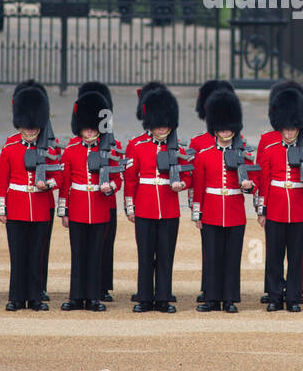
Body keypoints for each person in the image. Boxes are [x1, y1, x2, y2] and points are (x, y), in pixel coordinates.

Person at [254, 85, 303, 312]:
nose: (290, 132)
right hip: (275, 206)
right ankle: (274, 296)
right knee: (274, 255)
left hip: (299, 207)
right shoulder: (267, 141)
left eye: (293, 128)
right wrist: (261, 210)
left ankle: (293, 296)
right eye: (286, 128)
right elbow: (263, 178)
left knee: (296, 256)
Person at [123, 87, 190, 312]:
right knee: (145, 255)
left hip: (169, 208)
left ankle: (163, 298)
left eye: (165, 124)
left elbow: (188, 174)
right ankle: (144, 297)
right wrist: (130, 207)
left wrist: (183, 184)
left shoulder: (178, 147)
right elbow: (130, 180)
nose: (162, 128)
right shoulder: (137, 145)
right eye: (158, 123)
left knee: (165, 255)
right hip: (144, 207)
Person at [0, 85, 60, 311]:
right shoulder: (10, 147)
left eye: (34, 127)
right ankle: (15, 297)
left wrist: (48, 184)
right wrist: (1, 208)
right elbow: (2, 181)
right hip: (16, 207)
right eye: (27, 126)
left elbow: (59, 175)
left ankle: (34, 297)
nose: (31, 131)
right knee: (18, 254)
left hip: (40, 207)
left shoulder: (49, 149)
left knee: (36, 255)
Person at [56, 91, 121, 311]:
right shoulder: (71, 151)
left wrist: (109, 187)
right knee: (78, 254)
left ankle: (93, 297)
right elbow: (65, 184)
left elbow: (117, 179)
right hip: (77, 209)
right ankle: (76, 296)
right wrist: (64, 211)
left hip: (100, 208)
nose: (90, 130)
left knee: (95, 254)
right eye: (86, 127)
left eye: (93, 127)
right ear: (80, 127)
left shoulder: (108, 150)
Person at [191, 89, 255, 312]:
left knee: (231, 258)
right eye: (221, 127)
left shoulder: (244, 153)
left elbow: (253, 181)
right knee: (212, 257)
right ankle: (211, 298)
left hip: (235, 211)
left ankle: (229, 299)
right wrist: (197, 214)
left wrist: (249, 186)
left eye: (229, 127)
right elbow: (198, 187)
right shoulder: (205, 154)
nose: (226, 131)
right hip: (211, 210)